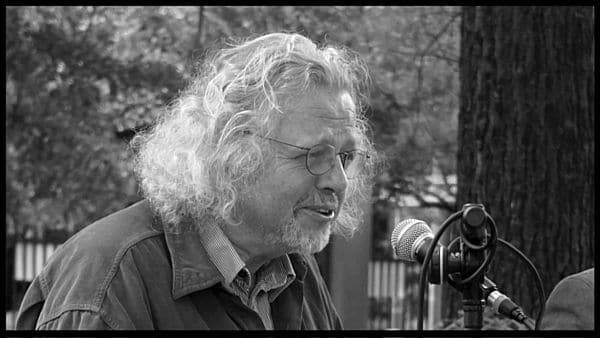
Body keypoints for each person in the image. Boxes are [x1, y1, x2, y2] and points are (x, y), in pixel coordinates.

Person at [15, 32, 376, 330]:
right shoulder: (110, 280)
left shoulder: (293, 269)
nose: (339, 182)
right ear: (234, 153)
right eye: (315, 155)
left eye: (346, 157)